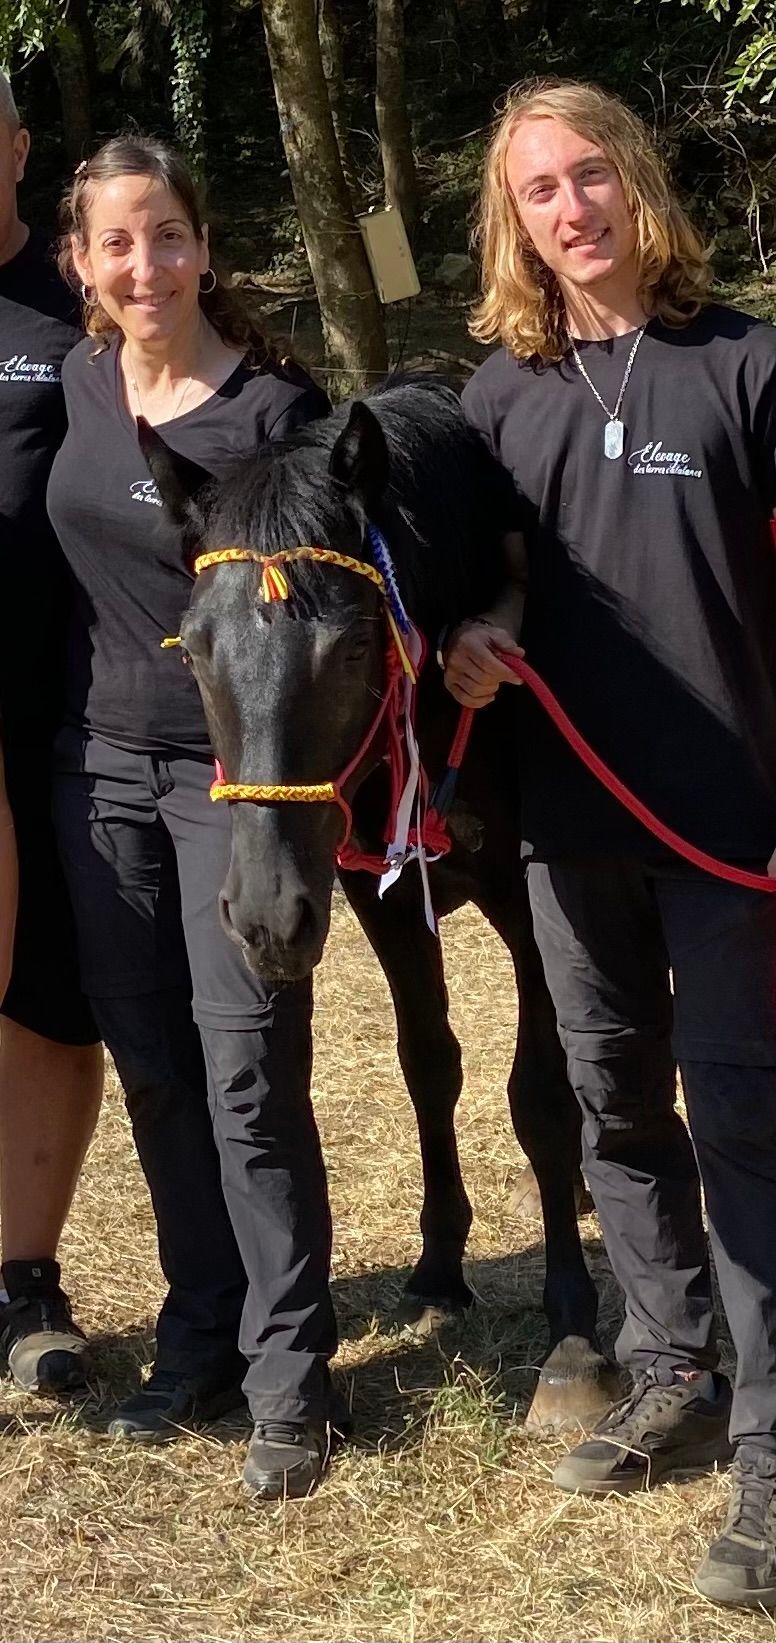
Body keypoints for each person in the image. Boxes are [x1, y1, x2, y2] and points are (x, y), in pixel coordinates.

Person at [445, 79, 776, 1607]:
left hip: (735, 823)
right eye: (539, 190)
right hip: (567, 825)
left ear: (638, 185)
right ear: (516, 219)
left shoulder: (750, 363)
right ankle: (670, 1357)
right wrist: (482, 637)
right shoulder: (497, 395)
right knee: (615, 1099)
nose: (572, 208)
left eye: (591, 175)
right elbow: (495, 588)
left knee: (742, 1114)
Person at [48, 136, 341, 1494]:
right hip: (98, 767)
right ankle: (201, 1337)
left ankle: (294, 1378)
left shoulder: (278, 412)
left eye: (166, 234)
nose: (144, 264)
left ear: (203, 245)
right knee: (156, 1068)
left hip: (240, 784)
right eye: (118, 242)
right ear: (81, 264)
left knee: (248, 1075)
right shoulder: (77, 379)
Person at [0, 70, 106, 1397]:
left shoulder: (80, 302)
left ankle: (23, 1275)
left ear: (20, 146)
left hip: (72, 717)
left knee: (51, 1008)